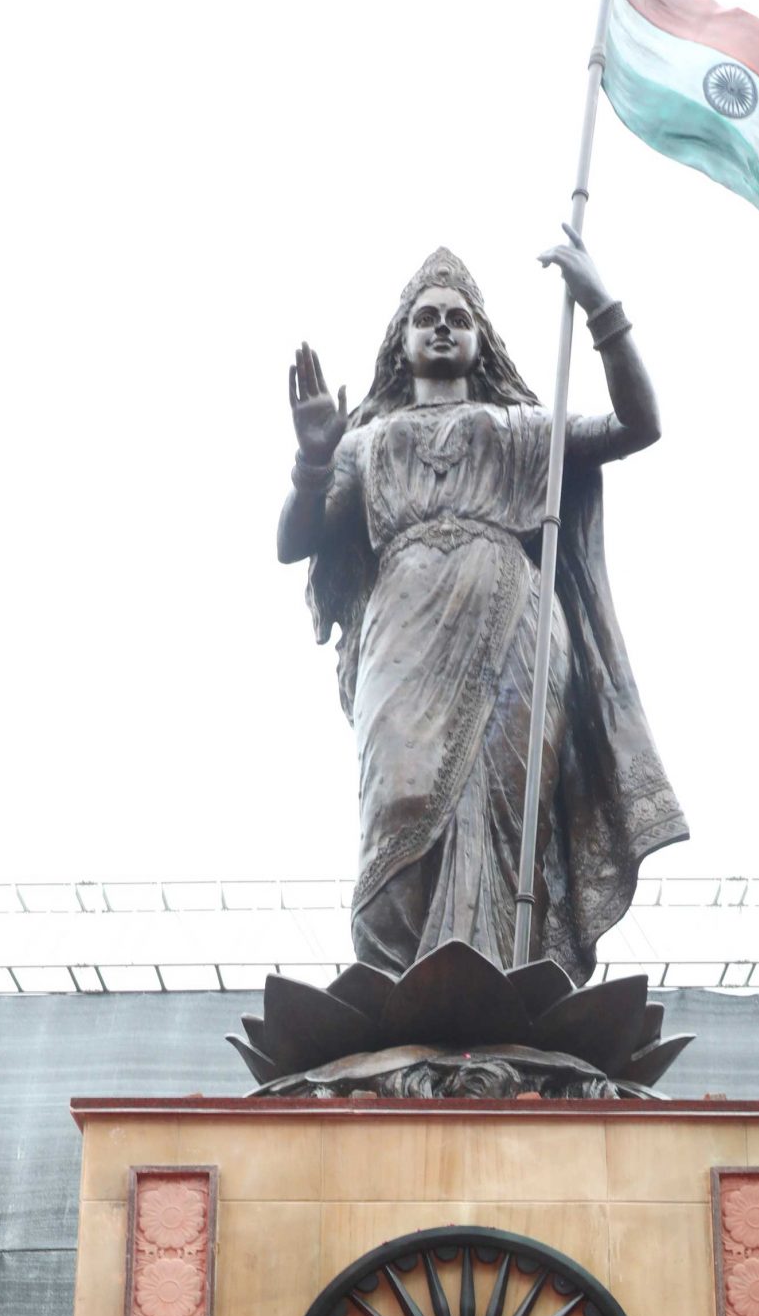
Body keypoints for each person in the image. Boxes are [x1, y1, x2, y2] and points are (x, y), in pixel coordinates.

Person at [279, 240, 685, 983]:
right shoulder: (366, 444)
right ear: (400, 343)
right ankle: (398, 986)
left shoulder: (522, 429)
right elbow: (292, 542)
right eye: (426, 318)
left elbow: (638, 424)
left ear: (480, 341)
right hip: (401, 639)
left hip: (515, 633)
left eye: (457, 318)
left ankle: (502, 979)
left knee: (508, 814)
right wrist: (312, 462)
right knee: (398, 799)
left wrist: (601, 307)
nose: (442, 326)